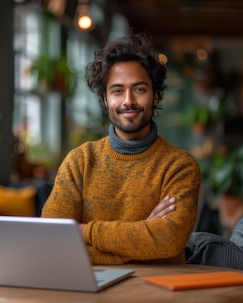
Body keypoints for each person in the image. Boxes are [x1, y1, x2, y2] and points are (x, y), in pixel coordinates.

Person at [41, 33, 201, 265]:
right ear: (105, 99)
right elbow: (51, 238)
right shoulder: (80, 161)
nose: (128, 101)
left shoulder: (179, 166)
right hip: (88, 290)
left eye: (139, 89)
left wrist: (83, 232)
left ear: (155, 96)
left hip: (157, 293)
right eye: (117, 91)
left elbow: (167, 240)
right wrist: (143, 234)